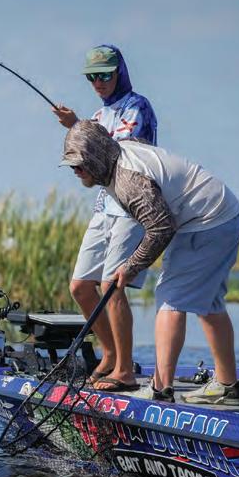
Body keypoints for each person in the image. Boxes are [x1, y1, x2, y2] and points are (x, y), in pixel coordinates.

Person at [60, 119, 239, 405]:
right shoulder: (119, 150)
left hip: (206, 221)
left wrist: (131, 266)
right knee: (210, 304)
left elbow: (161, 228)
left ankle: (160, 389)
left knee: (170, 299)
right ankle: (228, 385)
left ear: (97, 157)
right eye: (71, 165)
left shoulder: (128, 182)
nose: (75, 170)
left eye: (79, 164)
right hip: (223, 214)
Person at [53, 45, 157, 393]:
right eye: (91, 77)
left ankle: (125, 371)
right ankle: (110, 354)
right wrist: (77, 140)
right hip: (104, 206)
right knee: (81, 286)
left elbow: (120, 152)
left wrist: (78, 126)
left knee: (113, 285)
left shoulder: (137, 106)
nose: (98, 82)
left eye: (104, 75)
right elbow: (92, 167)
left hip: (132, 206)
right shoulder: (98, 115)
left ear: (119, 72)